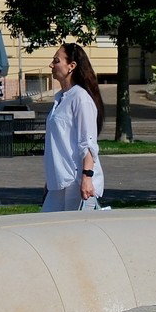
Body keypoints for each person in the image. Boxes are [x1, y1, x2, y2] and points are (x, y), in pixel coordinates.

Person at [43, 40, 104, 212]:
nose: (51, 65)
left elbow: (88, 142)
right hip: (59, 182)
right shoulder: (60, 98)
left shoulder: (80, 98)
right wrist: (50, 179)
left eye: (56, 61)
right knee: (47, 232)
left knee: (76, 236)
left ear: (71, 65)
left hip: (77, 183)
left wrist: (87, 177)